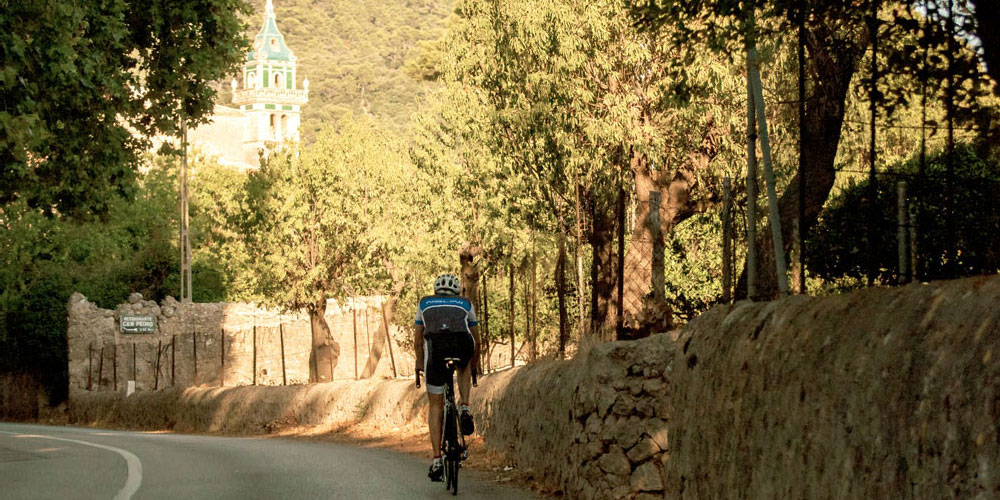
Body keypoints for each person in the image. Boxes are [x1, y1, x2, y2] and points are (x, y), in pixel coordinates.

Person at [414, 273, 480, 482]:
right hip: (462, 345)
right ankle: (465, 407)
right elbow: (476, 338)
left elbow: (418, 340)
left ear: (436, 291)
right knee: (464, 365)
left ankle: (436, 460)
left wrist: (419, 365)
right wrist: (474, 364)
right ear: (456, 291)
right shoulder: (465, 303)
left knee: (436, 406)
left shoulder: (424, 303)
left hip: (436, 351)